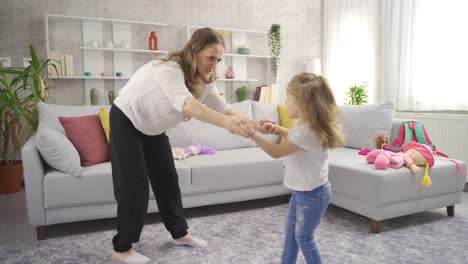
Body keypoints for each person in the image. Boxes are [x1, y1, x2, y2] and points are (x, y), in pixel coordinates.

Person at [109, 28, 269, 264]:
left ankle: (179, 234)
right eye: (210, 58)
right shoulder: (169, 69)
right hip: (127, 118)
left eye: (219, 59)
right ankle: (121, 249)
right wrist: (226, 124)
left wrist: (254, 123)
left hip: (152, 128)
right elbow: (187, 105)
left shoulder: (204, 78)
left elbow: (223, 107)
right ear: (195, 51)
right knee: (134, 186)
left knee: (167, 180)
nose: (214, 65)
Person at [249, 73, 345, 264]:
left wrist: (253, 134)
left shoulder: (306, 131)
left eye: (288, 98)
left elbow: (277, 151)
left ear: (303, 104)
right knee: (291, 235)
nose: (285, 102)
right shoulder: (305, 125)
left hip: (312, 195)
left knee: (304, 238)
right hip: (304, 192)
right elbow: (297, 140)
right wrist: (279, 130)